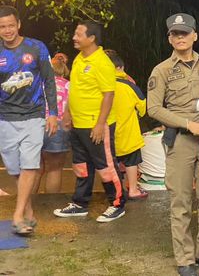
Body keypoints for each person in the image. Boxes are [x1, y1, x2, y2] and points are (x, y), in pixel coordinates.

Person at [147, 13, 199, 276]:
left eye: (184, 33)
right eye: (175, 34)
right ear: (170, 39)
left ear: (195, 36)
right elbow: (153, 108)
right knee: (180, 202)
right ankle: (185, 260)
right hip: (181, 142)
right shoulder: (162, 70)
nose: (180, 37)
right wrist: (188, 124)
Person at [53, 21, 125, 223]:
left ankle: (117, 203)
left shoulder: (102, 62)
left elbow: (109, 94)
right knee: (81, 165)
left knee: (106, 166)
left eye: (79, 34)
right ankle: (80, 203)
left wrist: (101, 124)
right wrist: (68, 113)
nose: (74, 38)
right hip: (78, 124)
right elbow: (75, 89)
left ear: (92, 38)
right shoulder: (79, 58)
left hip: (96, 125)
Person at [0, 6, 58, 236]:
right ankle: (29, 211)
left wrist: (52, 113)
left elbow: (49, 81)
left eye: (10, 25)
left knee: (30, 165)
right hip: (5, 118)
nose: (7, 30)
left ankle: (17, 215)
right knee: (15, 169)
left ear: (18, 24)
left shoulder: (36, 47)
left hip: (34, 115)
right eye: (2, 27)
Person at [105, 50, 148, 200]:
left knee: (112, 164)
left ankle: (116, 192)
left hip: (108, 135)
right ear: (120, 67)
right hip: (129, 135)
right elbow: (143, 107)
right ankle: (133, 190)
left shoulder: (100, 87)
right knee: (132, 162)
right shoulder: (129, 86)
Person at [34, 53, 71, 194]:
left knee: (35, 168)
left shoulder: (38, 84)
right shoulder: (69, 86)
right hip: (58, 126)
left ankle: (28, 202)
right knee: (55, 168)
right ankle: (50, 203)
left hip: (36, 124)